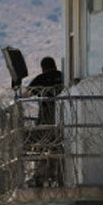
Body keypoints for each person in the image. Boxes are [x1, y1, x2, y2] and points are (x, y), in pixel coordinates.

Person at [23, 57, 64, 186]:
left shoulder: (41, 79)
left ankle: (42, 174)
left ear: (43, 67)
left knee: (40, 144)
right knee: (57, 144)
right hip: (62, 115)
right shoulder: (62, 76)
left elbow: (27, 95)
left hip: (45, 116)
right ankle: (56, 172)